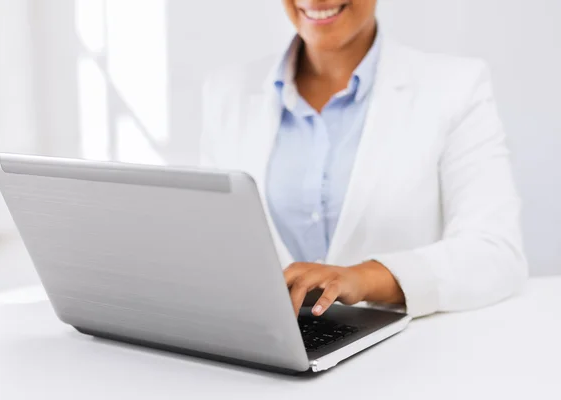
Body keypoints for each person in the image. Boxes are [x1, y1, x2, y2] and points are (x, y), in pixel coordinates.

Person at [200, 0, 528, 318]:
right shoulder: (225, 92)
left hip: (409, 357)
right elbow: (213, 246)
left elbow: (496, 253)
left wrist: (363, 278)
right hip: (272, 357)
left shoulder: (456, 86)